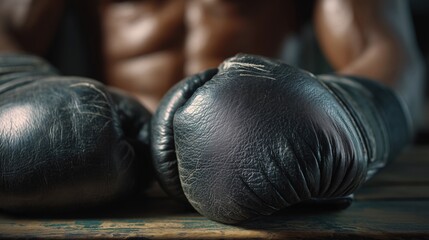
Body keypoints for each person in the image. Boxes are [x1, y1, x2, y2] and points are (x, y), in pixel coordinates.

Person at [0, 0, 425, 123]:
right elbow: (7, 29)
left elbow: (386, 50)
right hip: (118, 147)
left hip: (256, 146)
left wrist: (336, 120)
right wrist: (34, 100)